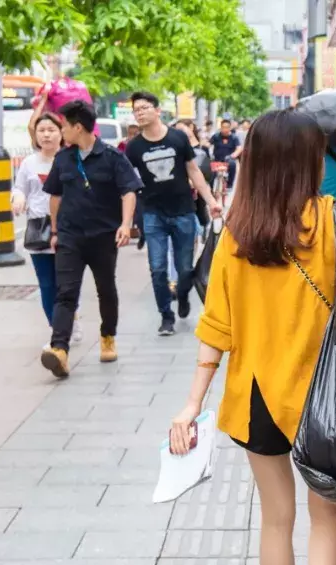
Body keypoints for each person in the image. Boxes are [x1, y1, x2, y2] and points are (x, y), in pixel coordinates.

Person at [168, 109, 336, 565]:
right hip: (331, 396)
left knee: (276, 517)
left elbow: (218, 327)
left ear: (257, 160)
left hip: (260, 395)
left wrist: (192, 405)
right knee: (326, 511)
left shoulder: (238, 233)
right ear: (312, 160)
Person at [39, 100, 141, 378]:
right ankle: (59, 349)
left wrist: (125, 224)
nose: (61, 132)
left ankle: (108, 335)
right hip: (70, 237)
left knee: (105, 288)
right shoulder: (63, 158)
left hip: (103, 237)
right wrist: (56, 231)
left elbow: (128, 191)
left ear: (78, 127)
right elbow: (56, 196)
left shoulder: (112, 157)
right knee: (65, 292)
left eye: (64, 127)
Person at [125, 92, 222, 337]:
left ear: (158, 111)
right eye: (136, 109)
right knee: (157, 269)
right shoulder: (134, 148)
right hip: (153, 214)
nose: (140, 112)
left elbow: (194, 172)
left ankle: (183, 296)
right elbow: (127, 184)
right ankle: (166, 316)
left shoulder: (178, 138)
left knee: (184, 268)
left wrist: (211, 200)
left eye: (145, 107)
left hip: (183, 212)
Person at [11, 112, 82, 343]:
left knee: (67, 283)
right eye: (41, 130)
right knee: (47, 284)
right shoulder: (29, 163)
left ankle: (71, 321)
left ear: (61, 132)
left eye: (51, 130)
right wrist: (18, 199)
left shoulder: (71, 159)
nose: (46, 135)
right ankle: (58, 330)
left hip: (68, 228)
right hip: (39, 229)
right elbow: (19, 188)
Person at [209, 119, 242, 189]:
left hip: (228, 159)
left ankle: (230, 185)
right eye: (223, 127)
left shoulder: (234, 137)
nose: (225, 129)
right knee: (210, 172)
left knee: (233, 164)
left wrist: (234, 155)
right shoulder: (216, 136)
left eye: (227, 127)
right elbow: (208, 144)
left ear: (230, 128)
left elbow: (239, 148)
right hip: (216, 159)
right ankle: (210, 188)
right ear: (220, 127)